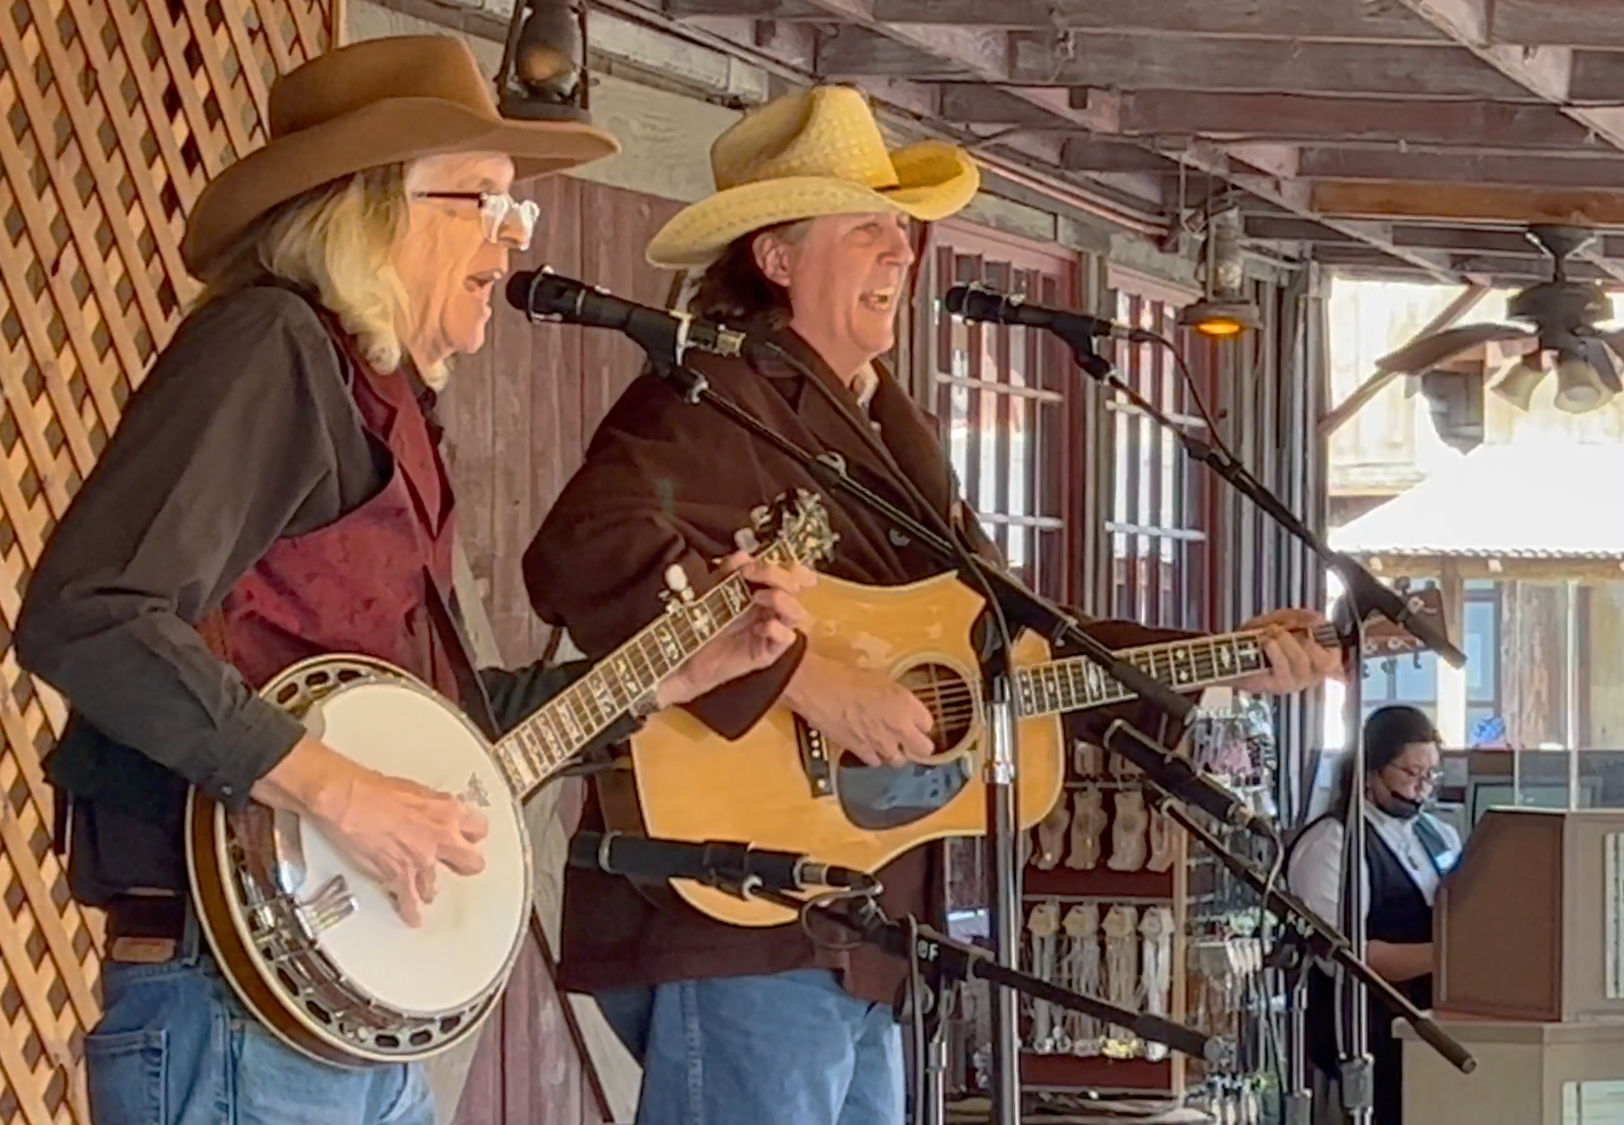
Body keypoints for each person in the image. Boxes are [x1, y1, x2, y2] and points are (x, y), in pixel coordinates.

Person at [14, 36, 812, 1125]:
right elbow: (88, 613)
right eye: (479, 200)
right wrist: (336, 790)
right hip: (233, 1012)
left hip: (337, 1027)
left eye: (512, 211)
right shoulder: (270, 351)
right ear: (371, 211)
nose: (507, 240)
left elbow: (447, 731)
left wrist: (662, 679)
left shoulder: (378, 392)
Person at [519, 84, 1344, 1125]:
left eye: (902, 234)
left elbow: (1005, 643)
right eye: (866, 231)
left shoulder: (880, 423)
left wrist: (1217, 657)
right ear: (776, 259)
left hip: (859, 916)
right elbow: (585, 551)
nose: (900, 255)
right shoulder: (715, 395)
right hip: (743, 902)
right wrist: (808, 681)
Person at [1287, 705, 1462, 1125]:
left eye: (1431, 775)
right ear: (1369, 772)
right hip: (1365, 1035)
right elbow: (1352, 956)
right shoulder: (1332, 846)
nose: (1423, 788)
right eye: (1411, 774)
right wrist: (1450, 956)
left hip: (1433, 1028)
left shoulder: (1437, 833)